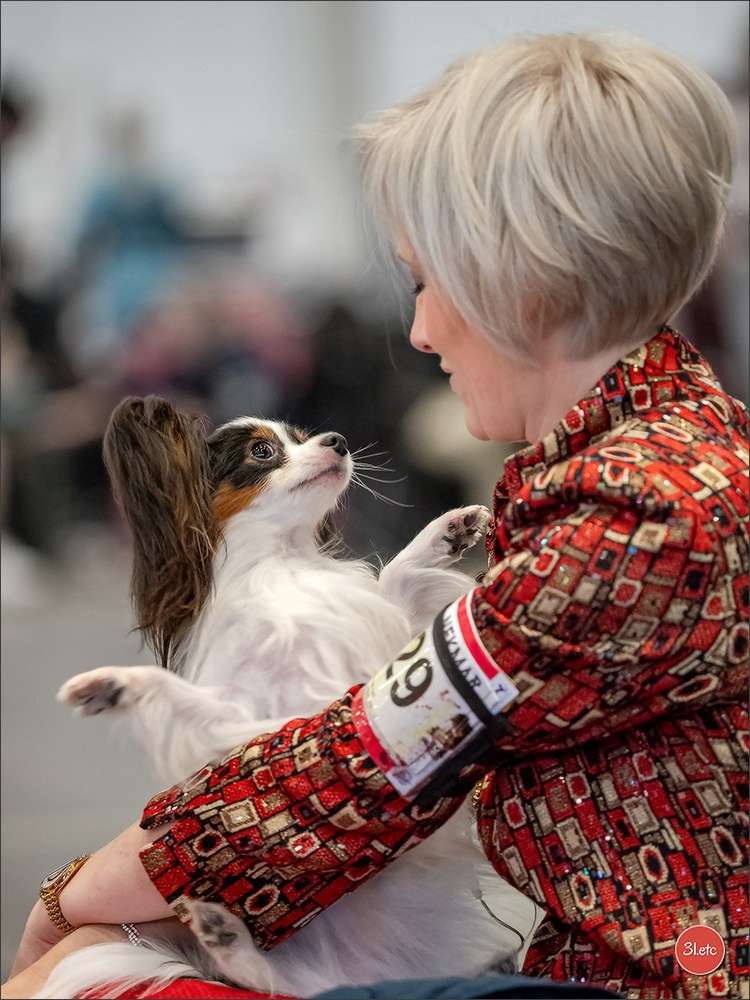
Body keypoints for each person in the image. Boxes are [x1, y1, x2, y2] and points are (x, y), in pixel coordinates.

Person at [3, 30, 748, 1000]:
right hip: (598, 960)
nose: (419, 328)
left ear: (518, 281)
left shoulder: (634, 516)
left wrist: (68, 900)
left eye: (426, 281)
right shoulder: (651, 465)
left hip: (657, 983)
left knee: (76, 981)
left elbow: (362, 764)